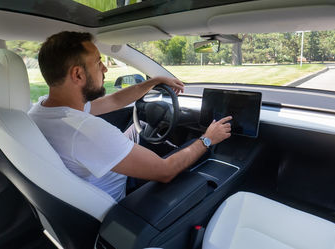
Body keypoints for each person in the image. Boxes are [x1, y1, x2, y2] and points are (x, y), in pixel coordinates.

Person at [28, 31, 232, 201]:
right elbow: (165, 171)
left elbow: (114, 101)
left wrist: (154, 81)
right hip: (126, 197)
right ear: (78, 75)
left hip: (98, 174)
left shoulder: (43, 109)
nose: (105, 68)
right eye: (98, 62)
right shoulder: (86, 130)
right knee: (195, 162)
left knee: (140, 127)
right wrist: (207, 139)